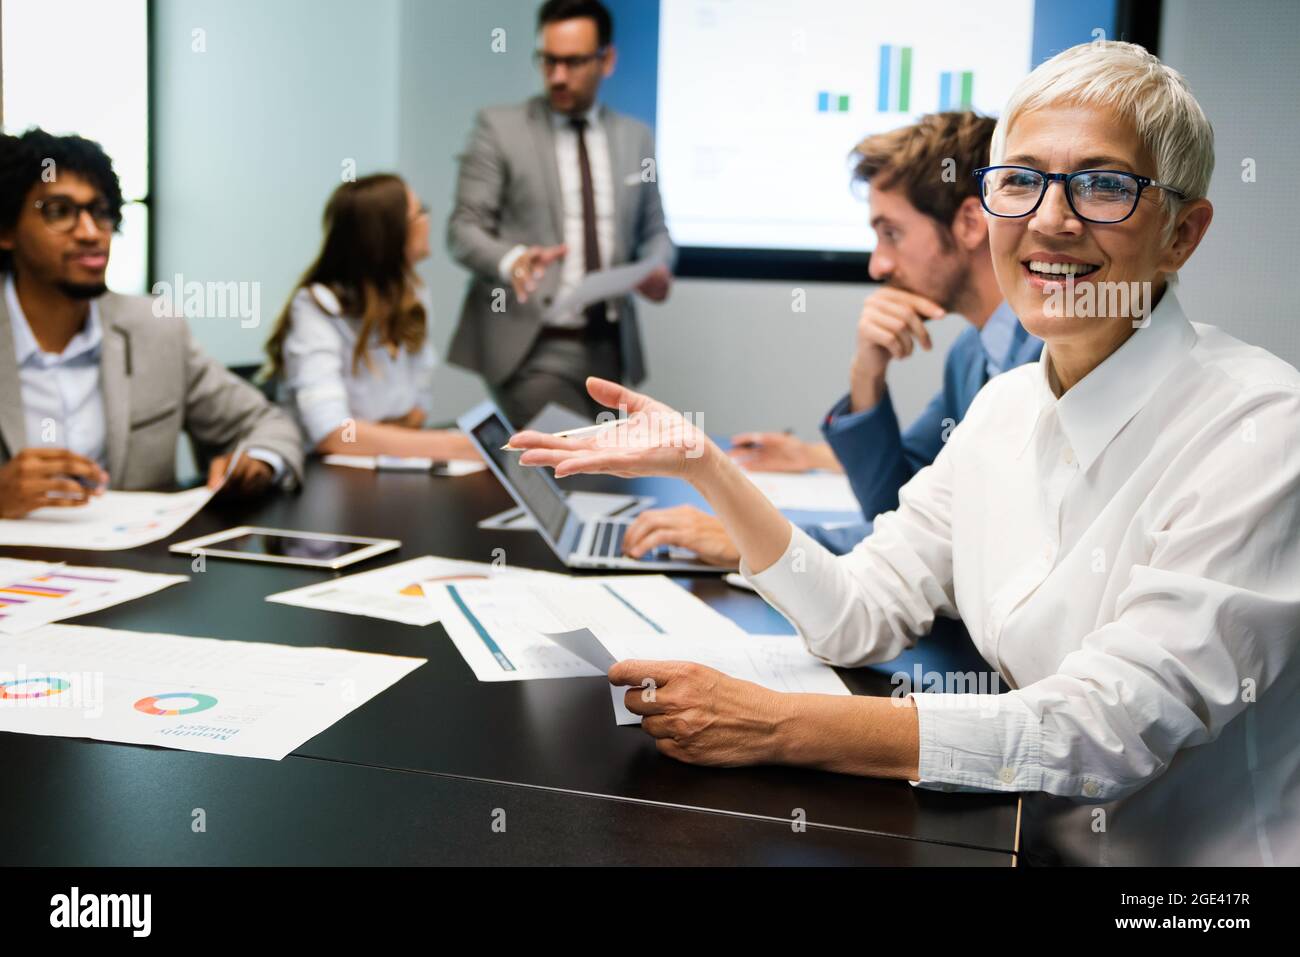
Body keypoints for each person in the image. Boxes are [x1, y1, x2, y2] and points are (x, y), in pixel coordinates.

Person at [508, 42, 1299, 866]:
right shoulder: (1003, 406)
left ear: (1183, 233)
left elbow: (1104, 730)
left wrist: (778, 725)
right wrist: (706, 465)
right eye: (1021, 180)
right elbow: (857, 611)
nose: (1050, 220)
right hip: (1027, 833)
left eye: (1103, 184)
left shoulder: (1260, 428)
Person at [624, 113, 1042, 564]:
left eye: (891, 234)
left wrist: (759, 542)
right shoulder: (972, 354)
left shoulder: (1049, 359)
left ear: (968, 223)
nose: (878, 266)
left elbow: (956, 547)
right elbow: (896, 506)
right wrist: (867, 374)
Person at [0, 129, 302, 518]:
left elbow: (268, 424)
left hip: (136, 566)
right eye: (59, 212)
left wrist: (257, 461)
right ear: (6, 230)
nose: (91, 233)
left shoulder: (154, 330)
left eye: (101, 212)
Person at [445, 0, 674, 426]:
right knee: (568, 464)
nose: (558, 76)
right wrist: (512, 260)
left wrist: (659, 266)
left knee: (606, 476)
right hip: (532, 342)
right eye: (548, 61)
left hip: (608, 343)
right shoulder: (499, 128)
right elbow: (463, 229)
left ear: (607, 60)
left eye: (572, 62)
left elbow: (657, 230)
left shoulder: (635, 138)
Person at [264, 174, 478, 461]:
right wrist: (460, 448)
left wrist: (371, 435)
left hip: (381, 466)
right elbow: (333, 434)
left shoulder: (414, 292)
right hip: (321, 477)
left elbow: (417, 410)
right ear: (390, 234)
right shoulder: (316, 306)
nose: (428, 219)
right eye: (420, 212)